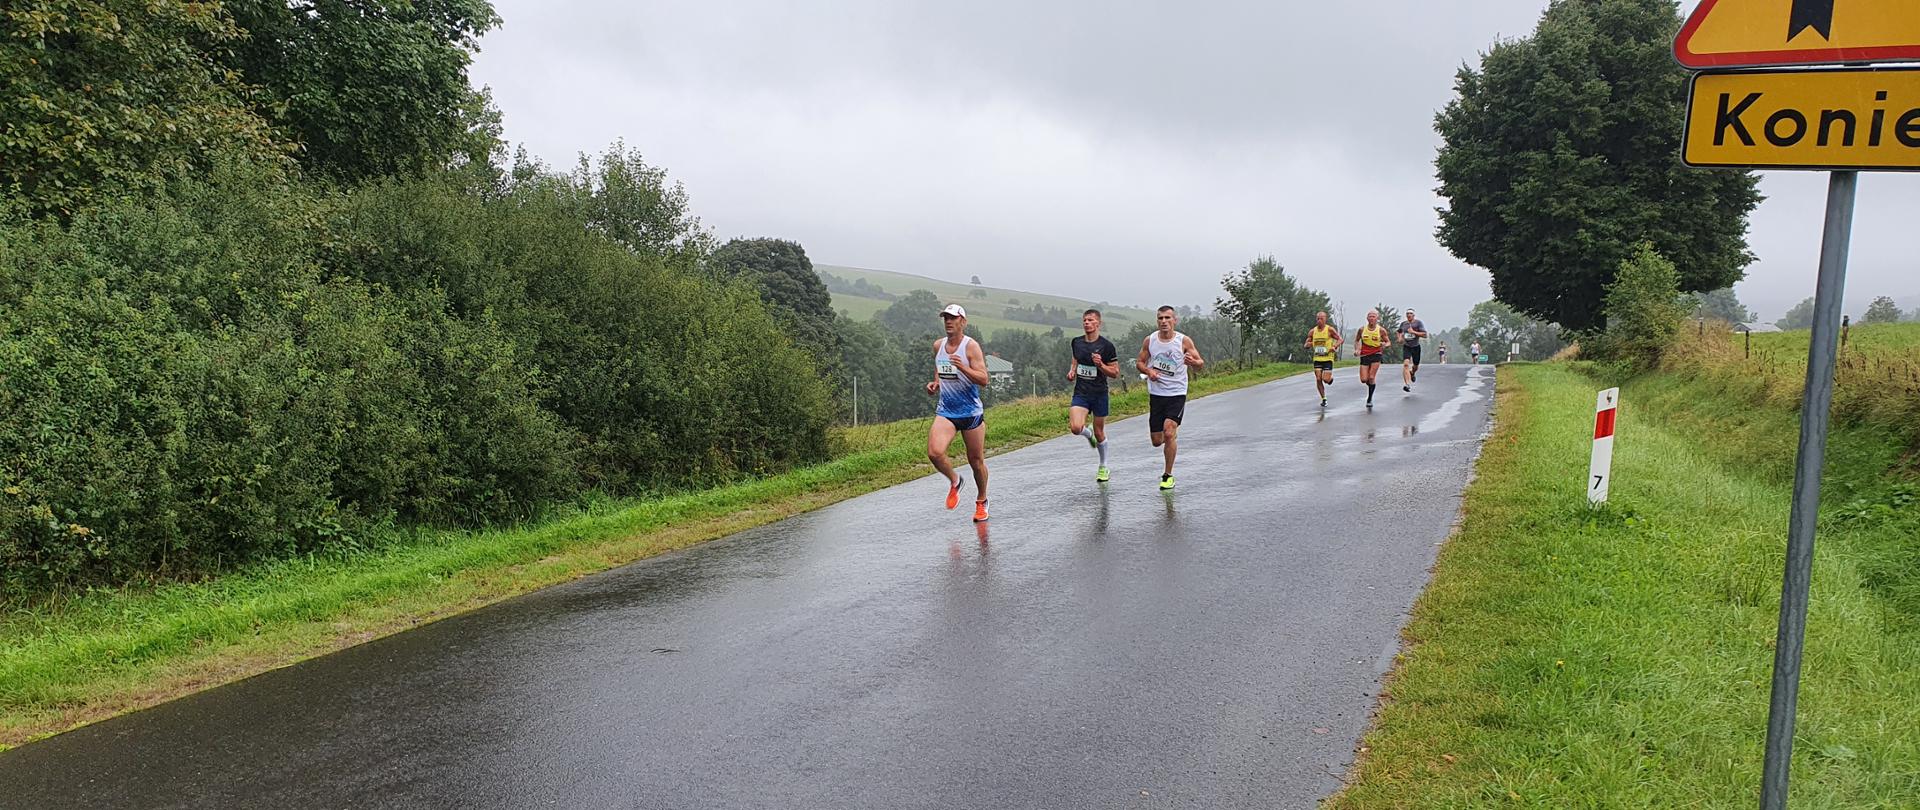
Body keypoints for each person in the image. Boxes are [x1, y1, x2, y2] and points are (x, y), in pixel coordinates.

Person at [926, 304, 990, 522]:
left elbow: (984, 379)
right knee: (935, 453)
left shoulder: (971, 347)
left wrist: (963, 367)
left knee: (976, 461)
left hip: (971, 412)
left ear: (963, 321)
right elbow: (939, 366)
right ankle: (955, 480)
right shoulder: (938, 346)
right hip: (947, 411)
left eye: (953, 318)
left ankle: (981, 501)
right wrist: (935, 383)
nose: (948, 322)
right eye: (945, 318)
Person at [1138, 306, 1203, 490]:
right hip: (1157, 394)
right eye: (1160, 318)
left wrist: (1193, 363)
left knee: (1168, 432)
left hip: (1177, 393)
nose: (1164, 321)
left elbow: (1200, 364)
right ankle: (1171, 435)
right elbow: (1139, 363)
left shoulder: (1183, 341)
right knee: (1157, 441)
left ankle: (1167, 475)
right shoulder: (1150, 340)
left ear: (1175, 320)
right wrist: (1149, 371)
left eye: (1167, 318)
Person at [1066, 309, 1119, 482]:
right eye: (1084, 320)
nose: (1087, 323)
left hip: (1099, 394)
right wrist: (1072, 370)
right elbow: (1076, 358)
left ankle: (1103, 466)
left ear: (1098, 324)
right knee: (1075, 428)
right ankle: (1088, 434)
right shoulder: (1077, 342)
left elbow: (1115, 373)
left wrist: (1101, 365)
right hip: (1081, 393)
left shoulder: (1107, 346)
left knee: (1100, 431)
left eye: (1090, 320)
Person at [1304, 311, 1342, 407]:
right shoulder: (1312, 331)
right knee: (1318, 378)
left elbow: (1340, 339)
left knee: (1325, 379)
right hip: (1317, 358)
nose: (1319, 320)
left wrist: (1335, 346)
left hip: (1328, 358)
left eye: (1321, 318)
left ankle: (1330, 379)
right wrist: (1308, 345)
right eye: (1318, 319)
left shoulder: (1330, 330)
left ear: (1325, 319)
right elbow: (1306, 343)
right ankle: (1323, 398)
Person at [1354, 310, 1390, 408]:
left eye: (1373, 316)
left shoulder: (1381, 330)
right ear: (1367, 318)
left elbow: (1388, 342)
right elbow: (1357, 340)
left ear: (1377, 318)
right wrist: (1357, 349)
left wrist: (1384, 345)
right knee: (1363, 379)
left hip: (1376, 354)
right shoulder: (1362, 329)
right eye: (1370, 316)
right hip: (1365, 354)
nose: (1371, 318)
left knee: (1371, 377)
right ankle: (1371, 386)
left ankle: (1369, 398)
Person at [1399, 308, 1428, 392]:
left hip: (1416, 347)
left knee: (1415, 366)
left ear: (1413, 315)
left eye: (1410, 313)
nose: (1409, 315)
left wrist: (1414, 332)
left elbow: (1425, 335)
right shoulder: (1403, 324)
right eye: (1407, 314)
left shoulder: (1418, 323)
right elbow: (1399, 331)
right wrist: (1400, 338)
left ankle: (1412, 373)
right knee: (1405, 364)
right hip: (1407, 346)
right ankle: (1407, 384)